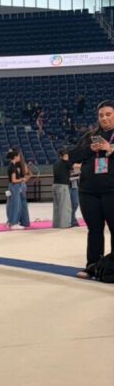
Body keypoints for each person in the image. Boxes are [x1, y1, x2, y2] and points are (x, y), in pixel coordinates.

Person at [69, 100, 114, 278]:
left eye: (108, 114)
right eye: (101, 115)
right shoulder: (90, 136)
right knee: (94, 230)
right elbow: (72, 156)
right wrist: (90, 149)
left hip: (111, 190)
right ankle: (92, 267)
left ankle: (111, 268)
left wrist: (109, 147)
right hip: (88, 191)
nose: (104, 118)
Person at [51, 150, 72, 228]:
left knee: (57, 206)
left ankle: (56, 224)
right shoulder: (65, 162)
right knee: (65, 206)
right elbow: (75, 166)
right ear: (65, 155)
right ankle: (65, 224)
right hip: (63, 186)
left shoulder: (55, 163)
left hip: (55, 185)